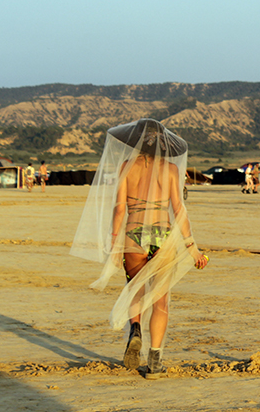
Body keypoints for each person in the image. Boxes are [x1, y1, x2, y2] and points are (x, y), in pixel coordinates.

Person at [71, 119, 207, 379]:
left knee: (135, 289)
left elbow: (120, 207)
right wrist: (192, 247)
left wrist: (114, 242)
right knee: (161, 300)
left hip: (133, 234)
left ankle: (135, 330)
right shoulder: (170, 169)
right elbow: (179, 208)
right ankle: (155, 361)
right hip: (162, 235)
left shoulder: (126, 166)